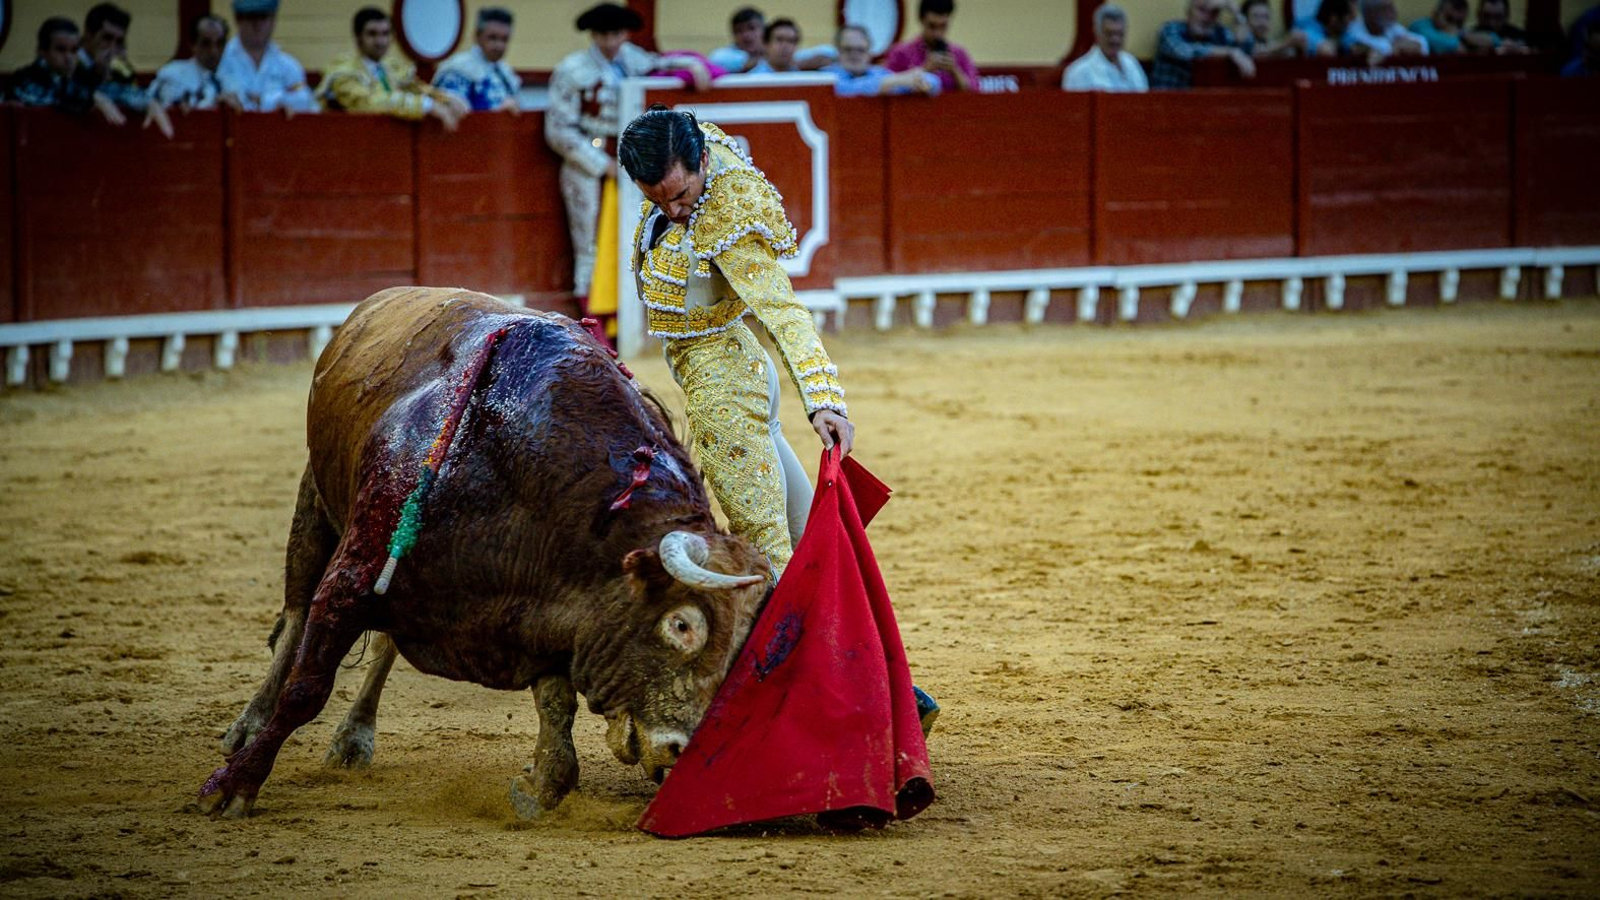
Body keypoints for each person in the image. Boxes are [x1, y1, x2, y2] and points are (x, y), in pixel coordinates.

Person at [619, 105, 939, 735]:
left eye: (682, 194)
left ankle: (834, 713)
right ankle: (898, 692)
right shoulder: (685, 149)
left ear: (702, 165)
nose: (676, 210)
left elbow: (785, 311)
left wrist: (824, 398)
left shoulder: (727, 219)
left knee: (765, 563)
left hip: (726, 392)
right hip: (736, 369)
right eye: (659, 199)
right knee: (806, 546)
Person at [545, 3, 711, 310]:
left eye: (617, 34)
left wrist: (694, 66)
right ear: (593, 35)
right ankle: (594, 320)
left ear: (625, 33)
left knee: (636, 239)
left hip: (633, 164)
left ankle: (627, 315)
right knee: (589, 246)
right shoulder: (571, 70)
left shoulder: (633, 59)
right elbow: (557, 131)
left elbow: (665, 63)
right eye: (604, 34)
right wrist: (600, 163)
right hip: (588, 167)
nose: (610, 42)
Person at [318, 7, 467, 129]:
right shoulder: (343, 73)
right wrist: (426, 105)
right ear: (358, 38)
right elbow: (367, 103)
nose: (380, 41)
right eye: (372, 34)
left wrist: (445, 98)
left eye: (385, 33)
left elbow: (415, 88)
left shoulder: (390, 67)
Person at [76, 3, 175, 137]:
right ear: (88, 34)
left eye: (119, 41)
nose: (112, 47)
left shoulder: (120, 69)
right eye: (107, 38)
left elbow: (134, 93)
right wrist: (96, 75)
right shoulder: (69, 61)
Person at [5, 17, 115, 121]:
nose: (69, 58)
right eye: (61, 50)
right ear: (42, 52)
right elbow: (47, 98)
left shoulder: (78, 75)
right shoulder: (25, 78)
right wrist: (91, 97)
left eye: (74, 50)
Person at [217, 0, 317, 112]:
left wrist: (264, 100)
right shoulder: (220, 59)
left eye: (263, 18)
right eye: (251, 18)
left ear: (273, 20)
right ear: (238, 20)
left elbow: (306, 101)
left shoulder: (287, 65)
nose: (257, 25)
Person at [432, 7, 522, 112]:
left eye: (504, 39)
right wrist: (497, 114)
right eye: (492, 38)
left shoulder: (506, 72)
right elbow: (453, 112)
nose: (499, 46)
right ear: (477, 36)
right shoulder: (458, 69)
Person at [1152, 0, 1256, 87]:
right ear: (1188, 13)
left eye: (1213, 13)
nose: (1206, 18)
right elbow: (1183, 51)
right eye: (1201, 10)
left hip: (1203, 104)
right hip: (1166, 104)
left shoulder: (1219, 33)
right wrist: (1230, 52)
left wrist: (1236, 12)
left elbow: (1248, 47)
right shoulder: (1171, 29)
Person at [884, 0, 980, 92]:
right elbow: (886, 87)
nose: (937, 34)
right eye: (932, 26)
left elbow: (976, 92)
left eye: (943, 26)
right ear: (921, 20)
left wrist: (955, 71)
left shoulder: (959, 54)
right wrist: (925, 69)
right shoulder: (901, 53)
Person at [708, 6, 837, 73]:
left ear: (764, 31)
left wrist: (785, 62)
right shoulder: (726, 55)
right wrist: (776, 61)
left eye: (752, 28)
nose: (746, 36)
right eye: (739, 31)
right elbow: (716, 61)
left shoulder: (784, 50)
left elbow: (830, 53)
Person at [824, 24, 940, 96]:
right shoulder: (827, 75)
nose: (855, 55)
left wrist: (922, 83)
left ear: (869, 52)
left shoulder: (879, 72)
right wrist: (891, 82)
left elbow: (935, 82)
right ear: (838, 51)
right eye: (848, 49)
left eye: (860, 50)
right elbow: (847, 89)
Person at [151, 15, 235, 110]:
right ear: (193, 45)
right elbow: (154, 107)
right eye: (206, 43)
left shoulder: (236, 76)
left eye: (220, 43)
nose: (213, 51)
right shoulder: (173, 75)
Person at [1063, 4, 1150, 92]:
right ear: (1097, 33)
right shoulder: (1078, 72)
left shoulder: (1131, 62)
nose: (1115, 40)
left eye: (1120, 34)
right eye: (1109, 34)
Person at [1348, 0, 1428, 57]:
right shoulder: (1354, 29)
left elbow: (1421, 43)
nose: (1394, 12)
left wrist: (1393, 48)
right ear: (1370, 12)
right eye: (1386, 9)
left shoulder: (1391, 27)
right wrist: (1394, 47)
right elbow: (1360, 48)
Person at [1409, 0, 1496, 52]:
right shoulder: (1420, 26)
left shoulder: (1460, 31)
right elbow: (1454, 47)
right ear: (1436, 13)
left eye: (1459, 22)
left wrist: (1460, 33)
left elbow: (1495, 40)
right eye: (1449, 19)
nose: (1453, 25)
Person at [1238, 0, 1307, 56]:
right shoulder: (1240, 40)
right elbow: (1254, 52)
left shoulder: (1270, 43)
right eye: (1256, 17)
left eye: (1266, 17)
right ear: (1245, 19)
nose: (1262, 22)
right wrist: (1287, 43)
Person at [1292, 0, 1359, 55]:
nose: (1349, 25)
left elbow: (1356, 46)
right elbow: (1326, 50)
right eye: (1346, 22)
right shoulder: (1307, 27)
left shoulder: (1343, 32)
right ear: (1334, 19)